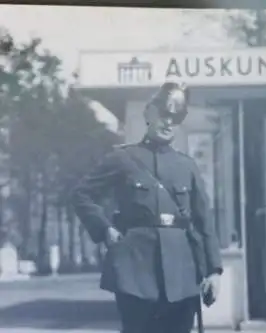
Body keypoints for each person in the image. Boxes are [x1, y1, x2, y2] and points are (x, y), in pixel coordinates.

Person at [71, 81, 223, 333]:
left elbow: (204, 221)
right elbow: (81, 195)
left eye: (175, 117)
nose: (168, 122)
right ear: (150, 115)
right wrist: (105, 229)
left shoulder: (187, 166)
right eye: (164, 114)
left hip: (182, 273)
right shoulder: (122, 159)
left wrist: (214, 271)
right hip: (136, 271)